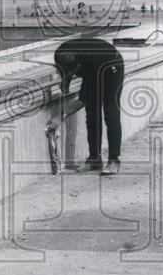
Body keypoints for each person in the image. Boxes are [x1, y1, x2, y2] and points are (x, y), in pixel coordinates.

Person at [54, 37, 125, 175]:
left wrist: (60, 116)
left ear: (79, 65)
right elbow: (66, 70)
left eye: (74, 73)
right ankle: (94, 159)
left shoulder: (91, 62)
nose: (73, 75)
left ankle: (113, 160)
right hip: (92, 67)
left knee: (111, 112)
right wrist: (65, 80)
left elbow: (83, 99)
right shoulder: (59, 53)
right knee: (92, 114)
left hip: (111, 67)